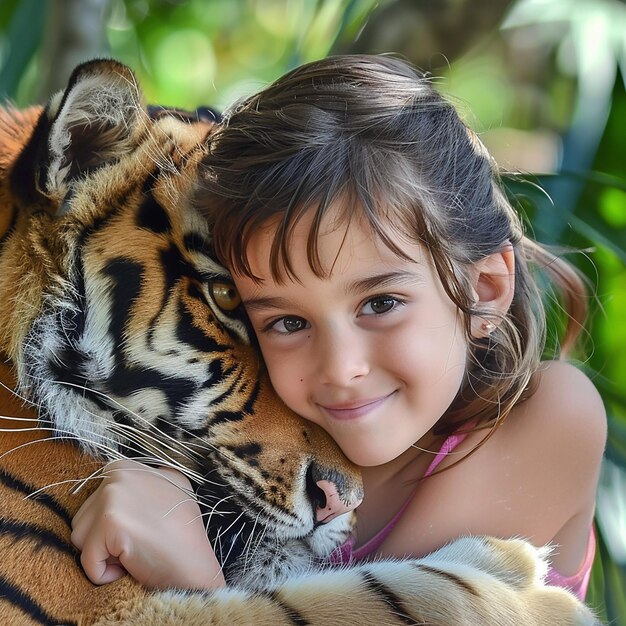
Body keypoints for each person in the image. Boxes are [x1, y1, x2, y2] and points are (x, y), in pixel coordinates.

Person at [70, 54, 606, 599]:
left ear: (483, 290)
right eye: (286, 321)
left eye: (381, 303)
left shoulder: (552, 417)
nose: (340, 368)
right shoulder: (280, 430)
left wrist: (197, 586)